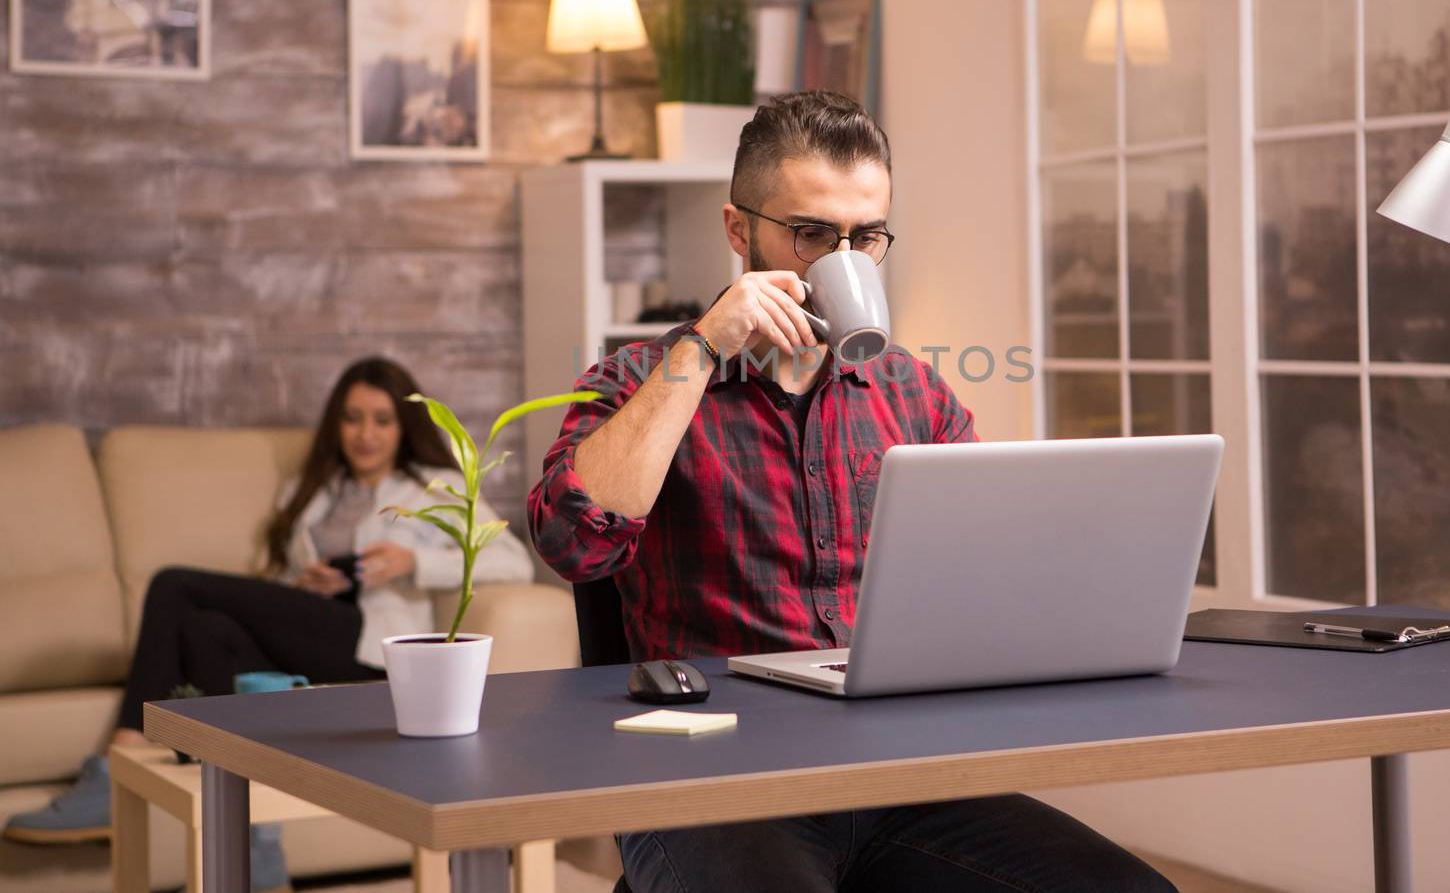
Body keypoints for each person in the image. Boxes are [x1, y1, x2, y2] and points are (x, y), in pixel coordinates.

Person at [529, 91, 1175, 892]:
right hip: (712, 779)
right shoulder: (639, 382)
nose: (842, 260)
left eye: (865, 237)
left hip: (897, 774)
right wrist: (702, 348)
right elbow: (570, 541)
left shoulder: (912, 394)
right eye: (809, 234)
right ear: (739, 230)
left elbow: (982, 576)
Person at [4, 357, 534, 888]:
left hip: (365, 647)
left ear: (404, 427)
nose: (365, 434)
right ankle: (258, 846)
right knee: (204, 632)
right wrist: (301, 587)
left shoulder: (436, 485)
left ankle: (121, 757)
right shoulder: (310, 491)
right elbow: (278, 581)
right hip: (311, 632)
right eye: (352, 418)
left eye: (381, 419)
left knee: (172, 584)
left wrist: (412, 562)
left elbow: (513, 560)